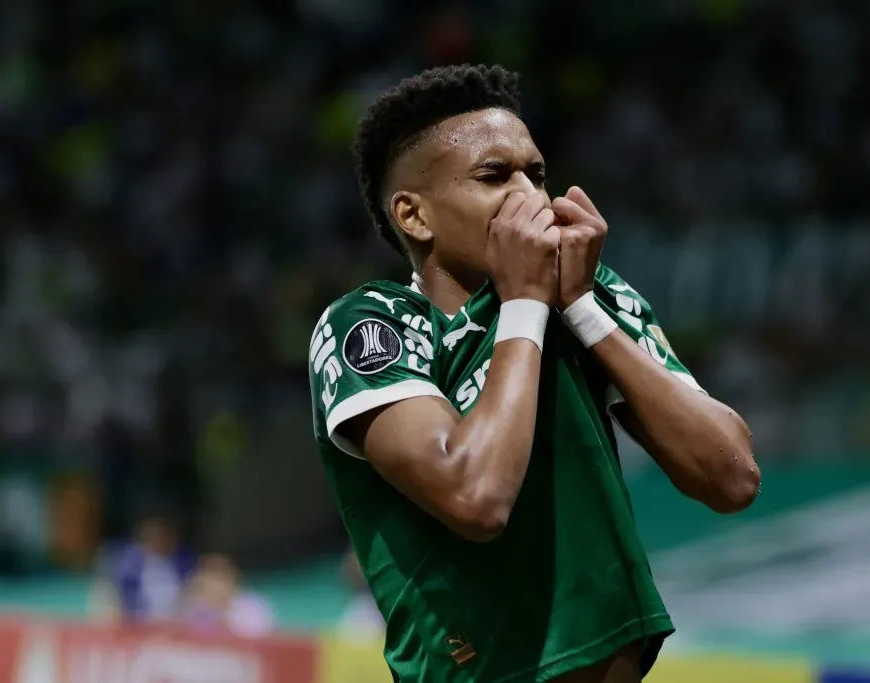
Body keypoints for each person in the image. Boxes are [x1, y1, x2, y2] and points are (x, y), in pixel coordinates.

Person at [307, 64, 760, 683]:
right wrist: (524, 303)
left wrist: (582, 310)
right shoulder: (372, 323)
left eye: (537, 174)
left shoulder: (590, 296)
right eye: (495, 176)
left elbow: (731, 478)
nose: (532, 197)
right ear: (414, 215)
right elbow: (474, 496)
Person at [181, 553, 275, 638]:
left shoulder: (251, 607)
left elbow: (261, 639)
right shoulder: (196, 606)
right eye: (207, 580)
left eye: (218, 580)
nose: (213, 586)